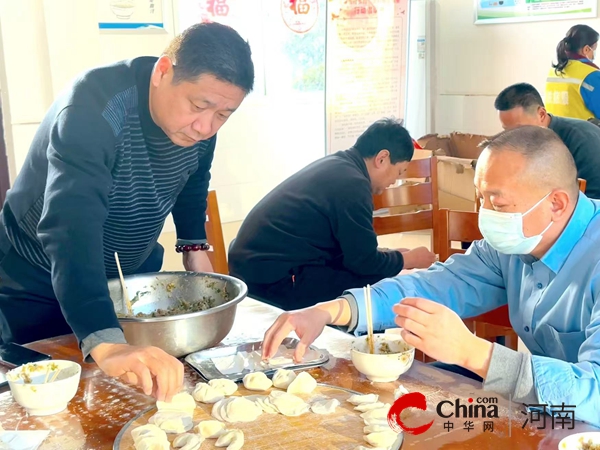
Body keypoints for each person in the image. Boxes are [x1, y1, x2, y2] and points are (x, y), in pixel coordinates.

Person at [261, 126, 600, 427]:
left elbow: (594, 393)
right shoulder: (510, 248)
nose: (485, 215)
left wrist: (474, 354)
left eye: (498, 204)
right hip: (552, 413)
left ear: (556, 203)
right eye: (480, 198)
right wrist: (333, 310)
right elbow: (431, 285)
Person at [0, 22, 254, 401]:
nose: (205, 127)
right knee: (52, 406)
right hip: (36, 283)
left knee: (128, 397)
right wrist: (107, 342)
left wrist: (193, 247)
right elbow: (70, 230)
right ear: (163, 71)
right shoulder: (93, 108)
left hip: (125, 281)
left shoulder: (200, 125)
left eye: (223, 116)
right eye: (199, 107)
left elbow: (194, 178)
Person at [228, 118, 436, 311]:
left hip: (254, 267)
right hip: (270, 280)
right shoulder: (353, 185)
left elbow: (353, 251)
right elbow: (364, 262)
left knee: (373, 272)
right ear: (382, 158)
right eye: (399, 172)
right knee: (372, 284)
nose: (395, 181)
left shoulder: (339, 165)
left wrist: (392, 255)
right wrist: (408, 259)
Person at [495, 82, 600, 199]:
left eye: (520, 128)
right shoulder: (522, 141)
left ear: (541, 114)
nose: (514, 136)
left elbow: (593, 196)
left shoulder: (582, 139)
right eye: (507, 130)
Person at [546, 24, 600, 120]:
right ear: (586, 49)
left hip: (553, 132)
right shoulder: (591, 74)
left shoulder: (554, 71)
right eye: (594, 49)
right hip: (582, 133)